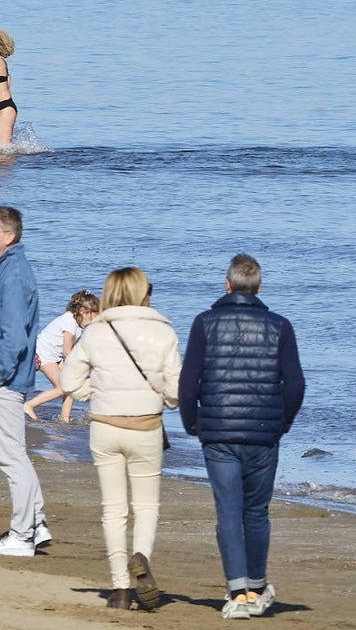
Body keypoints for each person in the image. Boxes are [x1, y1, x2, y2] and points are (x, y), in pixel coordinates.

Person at [179, 254, 305, 620]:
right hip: (264, 433)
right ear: (259, 287)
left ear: (228, 285)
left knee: (229, 513)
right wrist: (282, 422)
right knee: (256, 513)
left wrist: (192, 423)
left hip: (218, 432)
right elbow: (295, 385)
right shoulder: (280, 325)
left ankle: (240, 592)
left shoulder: (204, 323)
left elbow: (189, 384)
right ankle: (256, 585)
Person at [60, 268, 180, 611]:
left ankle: (121, 589)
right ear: (144, 293)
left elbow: (69, 380)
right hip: (146, 427)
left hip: (105, 426)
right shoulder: (163, 331)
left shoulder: (97, 331)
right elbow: (175, 390)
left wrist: (92, 393)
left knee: (113, 509)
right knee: (146, 507)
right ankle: (140, 554)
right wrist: (163, 399)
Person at [0, 205, 50, 556]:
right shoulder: (4, 269)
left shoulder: (14, 272)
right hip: (4, 379)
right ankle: (36, 522)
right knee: (16, 456)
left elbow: (14, 337)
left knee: (12, 459)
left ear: (9, 236)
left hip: (4, 381)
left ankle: (22, 535)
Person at [25, 289, 99, 422]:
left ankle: (64, 418)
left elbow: (73, 350)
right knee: (61, 388)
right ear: (83, 311)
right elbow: (66, 350)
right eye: (92, 317)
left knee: (70, 386)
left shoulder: (79, 325)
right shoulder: (69, 321)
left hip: (56, 356)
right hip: (43, 353)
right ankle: (29, 405)